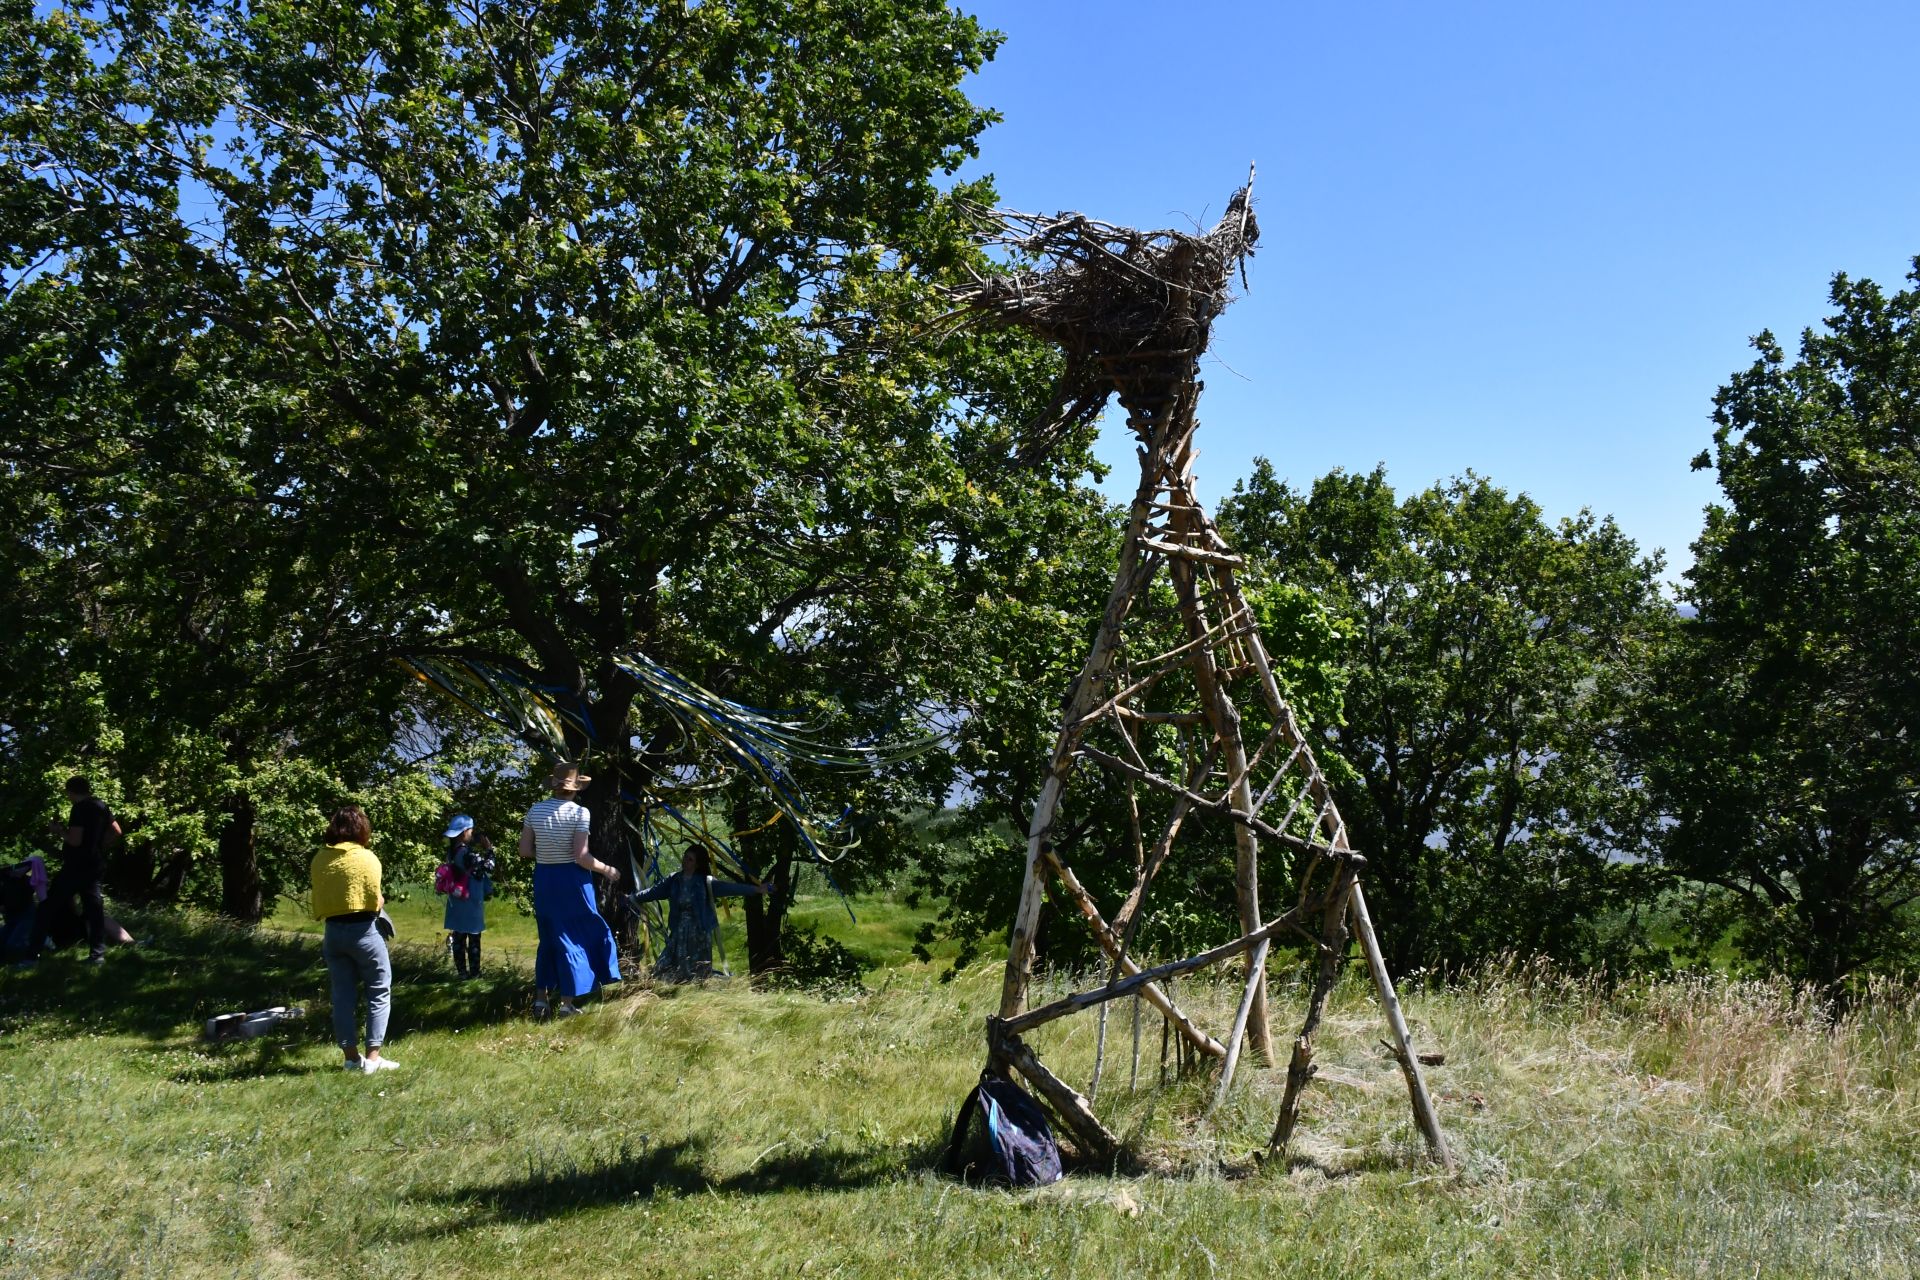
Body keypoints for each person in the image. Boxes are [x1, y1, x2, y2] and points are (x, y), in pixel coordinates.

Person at [519, 763, 620, 1018]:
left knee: (550, 937)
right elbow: (581, 857)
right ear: (576, 789)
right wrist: (607, 870)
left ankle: (541, 1001)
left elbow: (524, 851)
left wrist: (546, 854)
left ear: (554, 785)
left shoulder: (535, 810)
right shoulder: (579, 813)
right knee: (577, 936)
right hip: (572, 881)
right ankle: (566, 1004)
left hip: (544, 879)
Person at [309, 804, 397, 1073]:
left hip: (333, 932)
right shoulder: (367, 858)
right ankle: (372, 1058)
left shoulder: (320, 858)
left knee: (342, 995)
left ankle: (350, 1058)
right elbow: (374, 900)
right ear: (362, 829)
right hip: (364, 931)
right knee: (379, 990)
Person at [627, 846, 770, 982]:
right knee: (663, 966)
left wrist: (756, 890)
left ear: (698, 864)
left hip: (699, 933)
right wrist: (632, 898)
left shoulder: (705, 882)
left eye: (690, 859)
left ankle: (696, 995)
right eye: (685, 857)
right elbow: (653, 892)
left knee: (697, 972)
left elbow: (730, 888)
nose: (685, 861)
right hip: (679, 931)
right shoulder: (674, 880)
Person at [41, 776, 120, 964]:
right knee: (94, 909)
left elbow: (75, 841)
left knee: (48, 906)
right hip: (95, 864)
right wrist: (100, 844)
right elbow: (116, 831)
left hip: (76, 866)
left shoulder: (79, 809)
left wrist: (59, 831)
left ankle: (31, 954)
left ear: (70, 791)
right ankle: (97, 954)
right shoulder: (101, 805)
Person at [440, 815, 494, 980]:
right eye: (470, 830)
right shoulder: (467, 854)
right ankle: (474, 974)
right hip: (470, 900)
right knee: (474, 937)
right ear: (464, 832)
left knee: (459, 937)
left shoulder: (452, 851)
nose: (472, 834)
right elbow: (488, 867)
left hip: (456, 899)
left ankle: (461, 973)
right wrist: (489, 850)